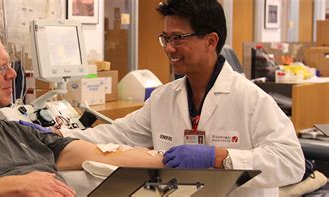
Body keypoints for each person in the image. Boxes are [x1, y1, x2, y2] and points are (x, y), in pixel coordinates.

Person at [59, 0, 305, 196]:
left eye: (178, 38)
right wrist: (53, 137)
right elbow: (115, 134)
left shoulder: (251, 99)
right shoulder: (164, 98)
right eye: (166, 38)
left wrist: (219, 157)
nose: (169, 48)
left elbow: (291, 162)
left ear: (211, 41)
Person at [0, 32, 164, 196]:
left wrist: (171, 160)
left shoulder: (19, 131)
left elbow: (99, 152)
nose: (12, 75)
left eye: (10, 66)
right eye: (0, 68)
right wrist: (16, 186)